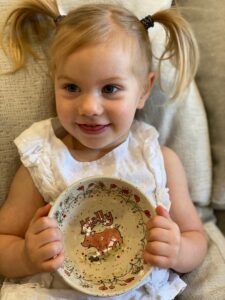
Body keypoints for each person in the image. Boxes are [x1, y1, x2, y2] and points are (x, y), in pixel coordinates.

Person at [0, 1, 207, 299]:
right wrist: (24, 254)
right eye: (71, 88)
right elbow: (4, 239)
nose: (89, 108)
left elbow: (196, 238)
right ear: (53, 83)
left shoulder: (158, 160)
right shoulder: (43, 158)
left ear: (144, 90)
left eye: (110, 89)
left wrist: (178, 250)